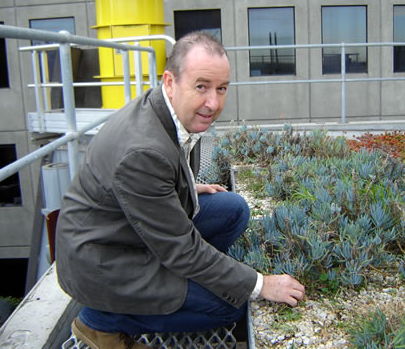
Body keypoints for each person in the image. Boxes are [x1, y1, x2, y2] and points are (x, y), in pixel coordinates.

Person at [55, 31, 305, 349]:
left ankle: (183, 285)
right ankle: (99, 321)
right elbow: (181, 250)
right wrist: (260, 284)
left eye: (222, 88)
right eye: (201, 86)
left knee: (233, 210)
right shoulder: (142, 153)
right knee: (228, 305)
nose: (213, 103)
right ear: (170, 82)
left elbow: (158, 176)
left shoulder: (167, 108)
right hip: (104, 261)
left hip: (128, 234)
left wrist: (184, 184)